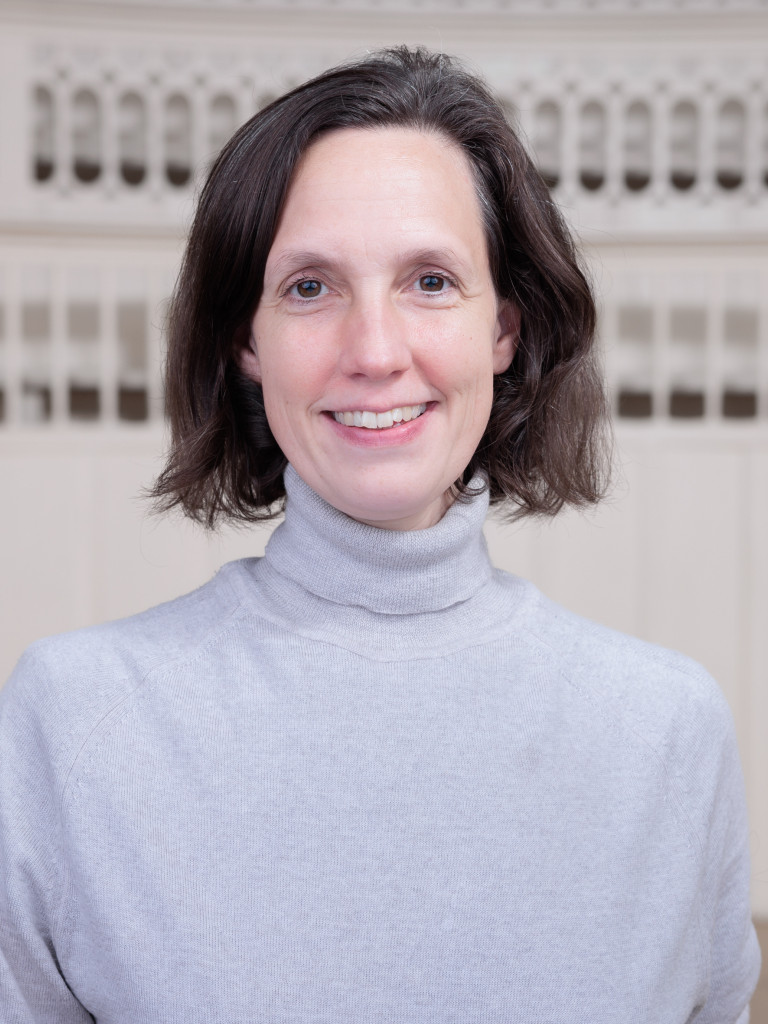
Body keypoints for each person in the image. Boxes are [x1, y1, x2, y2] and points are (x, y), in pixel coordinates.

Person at [0, 46, 760, 1022]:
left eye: (431, 281)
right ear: (246, 341)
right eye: (310, 287)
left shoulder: (670, 735)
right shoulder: (72, 725)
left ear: (505, 331)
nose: (373, 351)